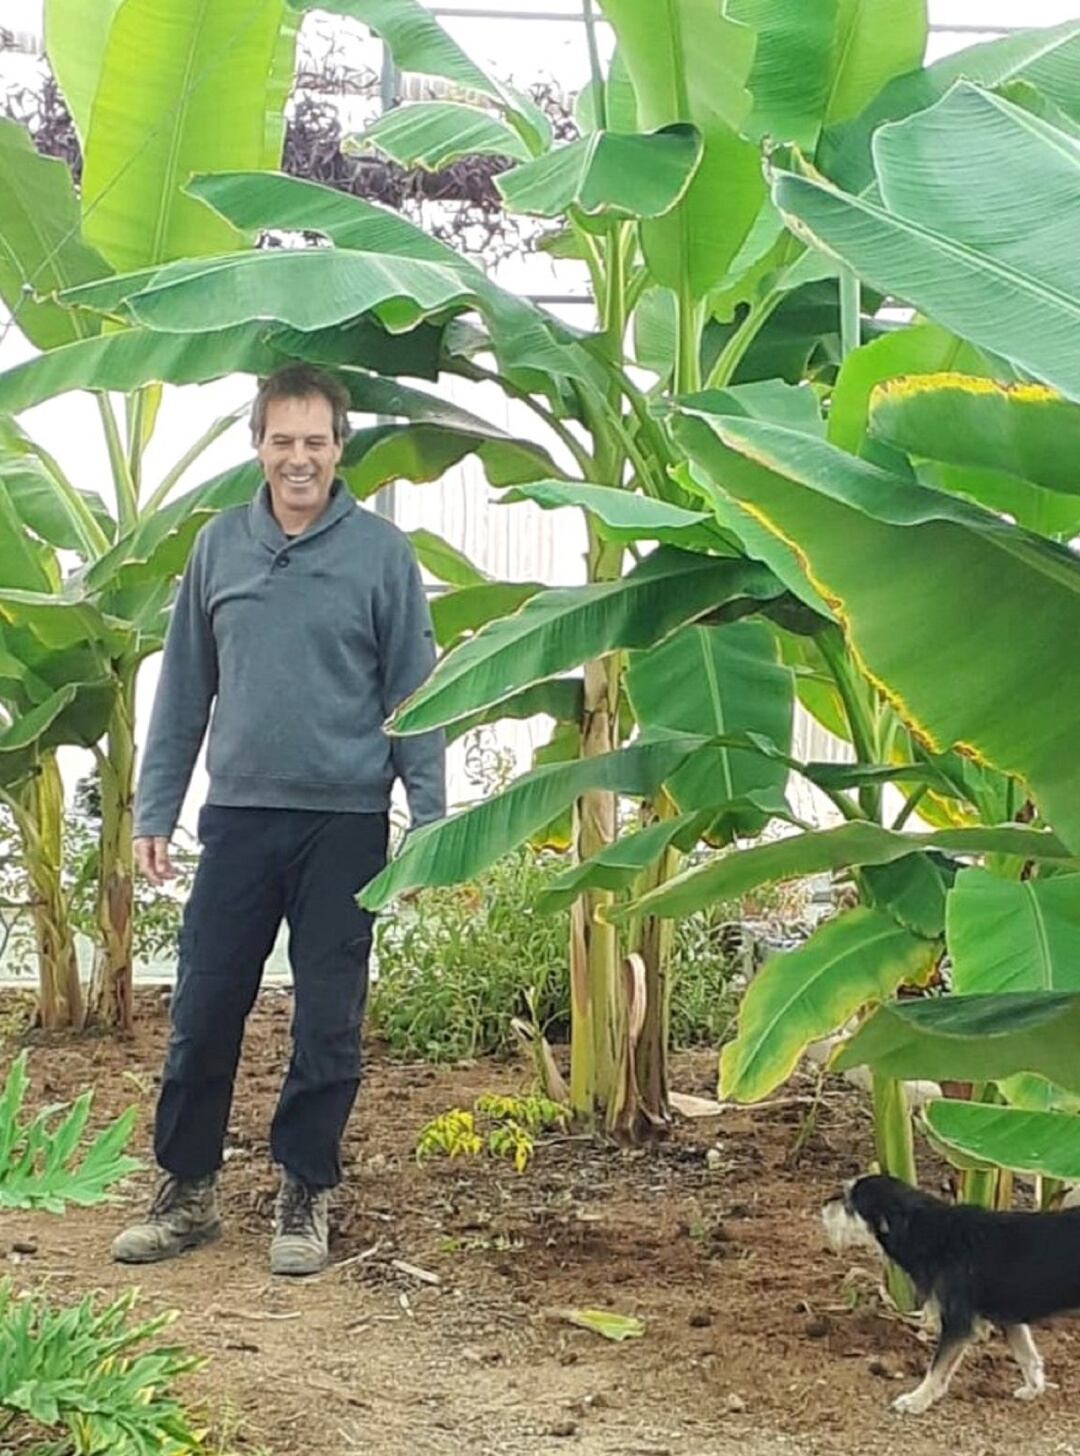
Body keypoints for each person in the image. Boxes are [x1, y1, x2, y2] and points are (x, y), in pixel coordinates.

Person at [112, 363, 445, 1276]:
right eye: (281, 440)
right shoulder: (220, 546)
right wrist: (157, 805)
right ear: (258, 446)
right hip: (239, 820)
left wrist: (432, 818)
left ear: (340, 449)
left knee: (328, 1021)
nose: (298, 459)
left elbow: (415, 688)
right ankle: (187, 1193)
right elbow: (184, 689)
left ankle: (306, 1193)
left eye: (315, 442)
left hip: (344, 822)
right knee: (205, 1006)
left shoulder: (382, 556)